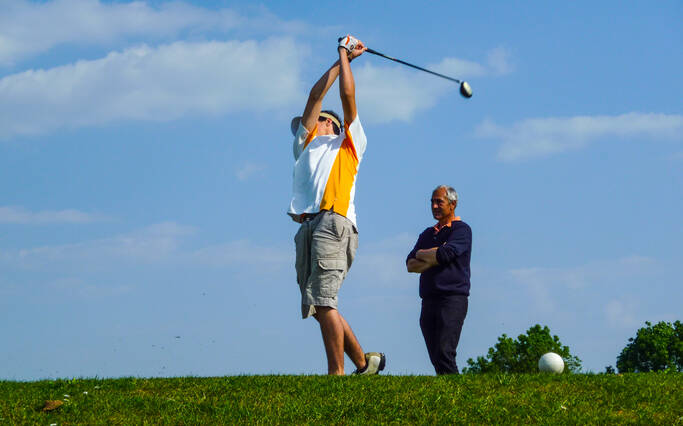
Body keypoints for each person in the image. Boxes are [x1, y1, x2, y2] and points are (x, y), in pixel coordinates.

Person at [287, 35, 385, 375]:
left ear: (337, 126)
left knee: (324, 300)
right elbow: (316, 96)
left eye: (325, 119)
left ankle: (336, 374)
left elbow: (346, 96)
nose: (316, 121)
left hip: (334, 221)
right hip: (308, 227)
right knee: (318, 303)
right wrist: (339, 58)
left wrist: (347, 56)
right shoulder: (305, 144)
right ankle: (363, 363)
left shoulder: (350, 143)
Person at [406, 185, 472, 374]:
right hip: (428, 300)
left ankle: (456, 394)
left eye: (439, 202)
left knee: (445, 351)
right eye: (432, 202)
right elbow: (410, 264)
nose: (434, 206)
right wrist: (431, 257)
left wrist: (422, 255)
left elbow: (447, 253)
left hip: (452, 299)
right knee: (435, 354)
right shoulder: (428, 234)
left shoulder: (461, 230)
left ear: (453, 204)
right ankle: (446, 392)